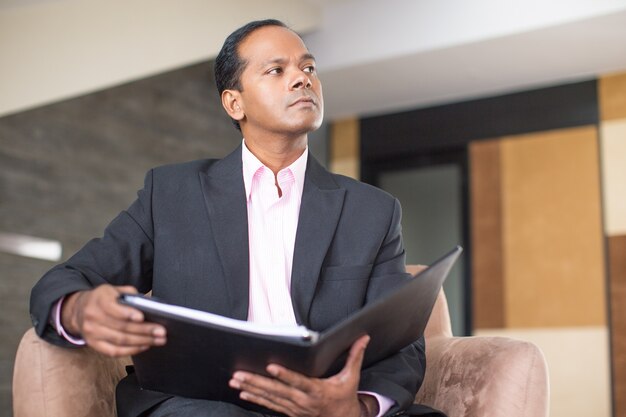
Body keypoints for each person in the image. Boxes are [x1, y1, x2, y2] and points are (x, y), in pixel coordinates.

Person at [30, 19, 444, 417]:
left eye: (308, 67)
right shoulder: (172, 194)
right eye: (276, 70)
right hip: (200, 404)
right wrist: (79, 309)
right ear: (234, 102)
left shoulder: (372, 210)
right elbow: (68, 278)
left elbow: (401, 341)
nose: (302, 79)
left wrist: (357, 407)